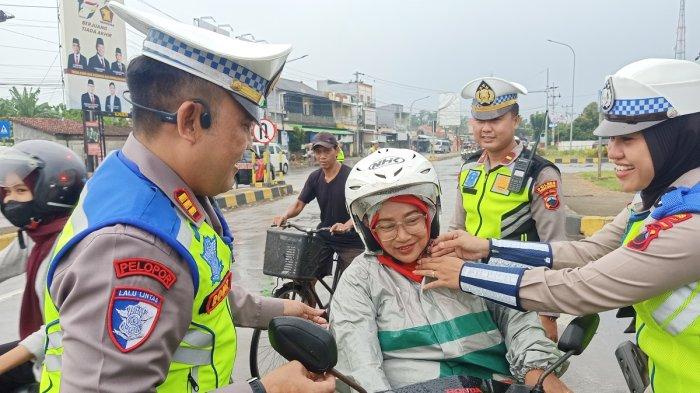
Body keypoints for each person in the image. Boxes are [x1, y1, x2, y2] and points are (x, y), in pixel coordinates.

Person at [38, 3, 333, 393]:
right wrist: (269, 390)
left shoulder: (156, 184)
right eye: (245, 125)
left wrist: (282, 309)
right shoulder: (130, 249)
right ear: (190, 120)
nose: (248, 144)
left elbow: (204, 294)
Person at [416, 58, 700, 393]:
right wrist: (487, 247)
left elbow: (583, 285)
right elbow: (588, 250)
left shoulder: (689, 222)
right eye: (610, 138)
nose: (613, 152)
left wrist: (466, 274)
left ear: (677, 135)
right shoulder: (655, 201)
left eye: (628, 139)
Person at [330, 148, 570, 392]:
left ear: (429, 217)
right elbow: (359, 361)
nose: (402, 236)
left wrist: (537, 372)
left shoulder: (466, 258)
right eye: (387, 226)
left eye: (413, 220)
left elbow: (517, 319)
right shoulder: (359, 281)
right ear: (370, 230)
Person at [452, 77, 567, 341]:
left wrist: (547, 314)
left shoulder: (539, 173)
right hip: (471, 289)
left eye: (495, 120)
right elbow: (456, 228)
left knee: (525, 375)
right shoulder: (470, 168)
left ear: (515, 120)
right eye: (480, 120)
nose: (486, 128)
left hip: (520, 292)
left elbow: (555, 248)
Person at [0, 140, 86, 390]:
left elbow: (59, 330)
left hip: (65, 370)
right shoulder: (35, 236)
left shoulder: (70, 247)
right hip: (42, 354)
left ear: (50, 191)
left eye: (20, 190)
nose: (9, 200)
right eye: (7, 191)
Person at [273, 132, 364, 277]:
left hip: (350, 240)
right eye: (318, 152)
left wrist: (346, 225)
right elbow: (298, 205)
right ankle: (308, 298)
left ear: (337, 150)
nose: (322, 156)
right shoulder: (314, 177)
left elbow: (361, 208)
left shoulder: (350, 177)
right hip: (324, 235)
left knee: (352, 284)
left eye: (327, 151)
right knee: (305, 275)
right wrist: (284, 216)